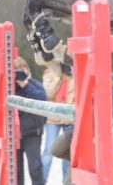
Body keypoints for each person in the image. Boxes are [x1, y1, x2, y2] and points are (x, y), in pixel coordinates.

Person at [41, 43, 74, 184]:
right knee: (49, 151)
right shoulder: (49, 73)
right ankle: (41, 181)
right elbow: (49, 92)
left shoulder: (75, 73)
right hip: (53, 118)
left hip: (69, 117)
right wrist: (58, 76)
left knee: (67, 154)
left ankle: (66, 182)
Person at [14, 56, 47, 185]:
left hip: (33, 133)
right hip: (14, 134)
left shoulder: (33, 84)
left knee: (35, 168)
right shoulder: (8, 87)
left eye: (22, 69)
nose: (20, 73)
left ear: (27, 69)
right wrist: (9, 82)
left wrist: (25, 84)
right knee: (16, 170)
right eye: (16, 70)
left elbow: (42, 98)